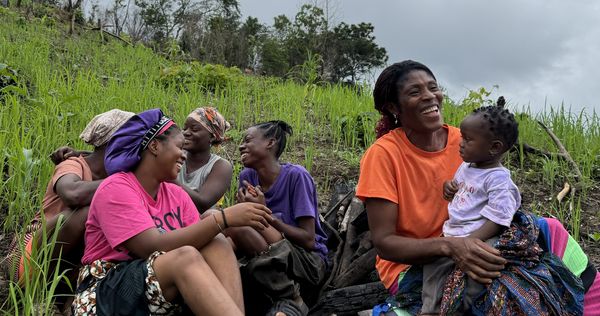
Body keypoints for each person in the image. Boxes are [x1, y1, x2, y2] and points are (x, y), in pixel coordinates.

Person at [356, 60, 597, 315]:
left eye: (432, 87)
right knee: (492, 298)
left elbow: (499, 189)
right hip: (419, 260)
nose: (429, 97)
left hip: (478, 235)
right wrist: (451, 246)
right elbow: (385, 242)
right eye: (415, 93)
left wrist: (476, 239)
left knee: (550, 230)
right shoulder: (383, 155)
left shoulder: (467, 140)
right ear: (394, 107)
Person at [72, 108, 273, 316]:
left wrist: (220, 224)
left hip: (156, 290)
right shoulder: (116, 188)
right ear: (155, 146)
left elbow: (201, 242)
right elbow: (150, 247)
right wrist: (223, 218)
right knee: (186, 256)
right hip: (106, 291)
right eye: (180, 147)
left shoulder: (177, 195)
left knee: (216, 242)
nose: (184, 155)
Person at [4, 109, 134, 310]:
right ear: (117, 142)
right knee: (90, 211)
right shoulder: (73, 164)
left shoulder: (118, 175)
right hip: (28, 259)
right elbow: (73, 193)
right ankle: (39, 295)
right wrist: (124, 182)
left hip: (71, 273)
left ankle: (60, 300)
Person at [420, 105, 521, 314]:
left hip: (482, 235)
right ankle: (430, 308)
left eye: (468, 139)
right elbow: (459, 189)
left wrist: (471, 241)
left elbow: (499, 218)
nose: (461, 143)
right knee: (433, 266)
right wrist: (449, 188)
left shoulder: (498, 179)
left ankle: (466, 307)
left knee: (479, 270)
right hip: (455, 233)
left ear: (494, 147)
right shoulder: (468, 166)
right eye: (462, 136)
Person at [230, 120, 328, 316]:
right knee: (228, 229)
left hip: (306, 260)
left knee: (240, 225)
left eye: (248, 140)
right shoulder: (247, 176)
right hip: (265, 252)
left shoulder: (297, 176)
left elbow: (308, 240)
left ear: (270, 143)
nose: (241, 145)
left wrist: (263, 213)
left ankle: (292, 298)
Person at [174, 107, 232, 212]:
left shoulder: (220, 166)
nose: (186, 133)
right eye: (185, 128)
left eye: (194, 129)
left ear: (212, 137)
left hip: (200, 224)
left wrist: (170, 179)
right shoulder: (175, 156)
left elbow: (203, 203)